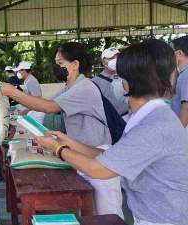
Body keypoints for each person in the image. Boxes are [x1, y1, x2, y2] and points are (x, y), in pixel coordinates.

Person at [37, 39, 188, 225]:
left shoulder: (155, 125)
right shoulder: (145, 117)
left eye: (118, 77)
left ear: (128, 83)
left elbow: (99, 169)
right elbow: (112, 156)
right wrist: (70, 142)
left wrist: (59, 148)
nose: (116, 82)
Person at [1, 42, 123, 218]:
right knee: (91, 215)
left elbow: (49, 106)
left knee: (109, 216)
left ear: (75, 65)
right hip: (82, 153)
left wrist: (12, 92)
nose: (56, 67)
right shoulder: (70, 87)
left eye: (60, 64)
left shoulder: (84, 88)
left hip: (98, 155)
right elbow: (42, 104)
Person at [92, 47, 128, 115]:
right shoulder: (95, 83)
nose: (115, 60)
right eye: (111, 58)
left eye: (117, 57)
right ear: (103, 61)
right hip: (111, 122)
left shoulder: (128, 77)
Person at [171, 36, 188, 129]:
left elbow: (186, 107)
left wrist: (179, 133)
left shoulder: (186, 75)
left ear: (180, 53)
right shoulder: (183, 73)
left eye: (172, 52)